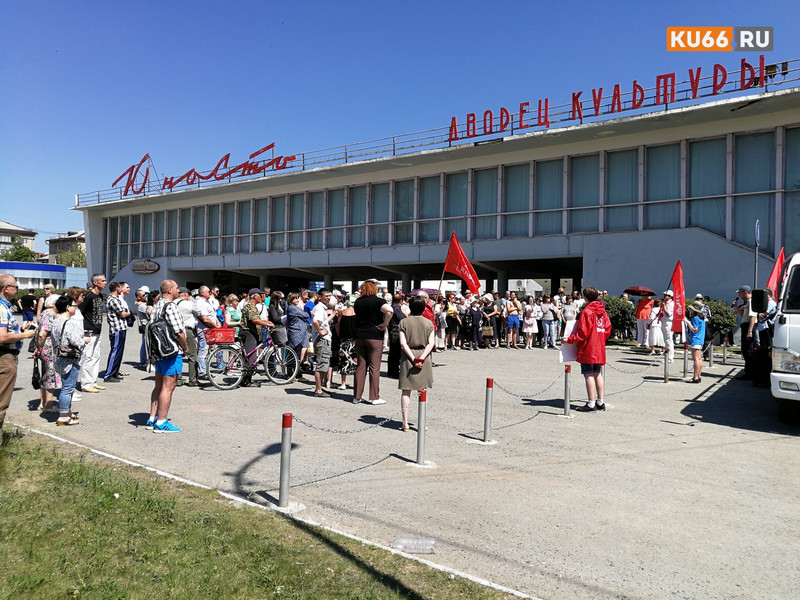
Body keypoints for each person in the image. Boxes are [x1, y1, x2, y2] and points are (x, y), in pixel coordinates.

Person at [146, 279, 188, 433]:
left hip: (158, 351)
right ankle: (162, 421)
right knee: (169, 386)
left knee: (158, 384)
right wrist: (185, 347)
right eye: (177, 288)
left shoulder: (157, 306)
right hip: (171, 350)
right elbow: (179, 332)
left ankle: (152, 418)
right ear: (170, 290)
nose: (179, 290)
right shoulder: (171, 307)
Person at [565, 286, 612, 412]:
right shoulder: (603, 312)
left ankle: (591, 403)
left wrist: (569, 339)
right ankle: (600, 401)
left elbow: (583, 333)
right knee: (598, 374)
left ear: (585, 297)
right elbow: (607, 329)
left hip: (589, 347)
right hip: (599, 346)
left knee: (588, 374)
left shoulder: (587, 312)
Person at [0, 274, 37, 433]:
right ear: (6, 288)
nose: (17, 290)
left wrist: (19, 331)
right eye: (15, 287)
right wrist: (25, 335)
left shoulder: (5, 306)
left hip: (5, 355)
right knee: (2, 402)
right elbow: (2, 337)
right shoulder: (2, 308)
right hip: (5, 357)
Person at [51, 295, 90, 426]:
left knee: (66, 386)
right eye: (73, 306)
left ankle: (67, 412)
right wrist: (84, 340)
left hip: (60, 357)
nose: (75, 308)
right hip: (70, 358)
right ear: (68, 307)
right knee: (67, 388)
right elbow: (75, 341)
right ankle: (63, 417)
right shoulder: (70, 322)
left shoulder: (55, 321)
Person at [398, 295, 435, 432]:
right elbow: (431, 343)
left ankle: (405, 422)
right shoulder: (429, 323)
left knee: (406, 391)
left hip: (408, 356)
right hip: (423, 356)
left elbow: (403, 343)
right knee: (422, 391)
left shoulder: (403, 322)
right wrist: (421, 358)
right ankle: (421, 422)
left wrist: (413, 359)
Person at [353, 280, 392, 405]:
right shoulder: (378, 301)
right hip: (374, 336)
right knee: (374, 367)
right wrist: (385, 324)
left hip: (359, 335)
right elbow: (390, 311)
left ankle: (357, 396)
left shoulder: (357, 301)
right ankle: (374, 397)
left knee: (360, 366)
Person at [77, 274, 106, 394]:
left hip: (97, 330)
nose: (105, 282)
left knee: (95, 357)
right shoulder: (88, 296)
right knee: (87, 357)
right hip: (88, 330)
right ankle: (86, 384)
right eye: (102, 281)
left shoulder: (100, 295)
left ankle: (93, 381)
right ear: (95, 282)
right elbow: (79, 311)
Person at [34, 292, 62, 412]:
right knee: (50, 376)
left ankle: (43, 403)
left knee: (46, 375)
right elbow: (42, 334)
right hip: (49, 349)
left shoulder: (46, 313)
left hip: (46, 348)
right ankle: (48, 406)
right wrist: (39, 348)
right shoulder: (49, 314)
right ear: (54, 304)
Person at [103, 281, 131, 383]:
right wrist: (129, 313)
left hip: (121, 328)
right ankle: (108, 374)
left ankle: (114, 372)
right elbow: (122, 314)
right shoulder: (113, 300)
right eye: (120, 288)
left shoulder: (116, 299)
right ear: (117, 288)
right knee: (115, 351)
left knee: (119, 352)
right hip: (117, 329)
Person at [240, 289, 273, 365]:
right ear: (254, 296)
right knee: (251, 358)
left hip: (252, 333)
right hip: (248, 333)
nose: (261, 296)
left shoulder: (253, 306)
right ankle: (248, 372)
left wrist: (266, 322)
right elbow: (254, 320)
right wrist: (267, 324)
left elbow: (257, 319)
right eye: (259, 295)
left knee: (252, 354)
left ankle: (248, 373)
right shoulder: (250, 306)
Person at [193, 285, 220, 380]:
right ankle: (202, 372)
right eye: (209, 291)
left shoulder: (206, 302)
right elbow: (205, 319)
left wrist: (217, 322)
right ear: (202, 293)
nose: (210, 293)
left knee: (207, 351)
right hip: (204, 329)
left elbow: (211, 314)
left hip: (209, 329)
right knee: (203, 350)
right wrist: (215, 325)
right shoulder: (199, 303)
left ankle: (205, 370)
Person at [311, 288, 333, 397]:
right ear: (320, 297)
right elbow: (315, 321)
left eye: (329, 296)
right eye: (326, 296)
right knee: (321, 364)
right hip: (322, 339)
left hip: (324, 339)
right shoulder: (319, 308)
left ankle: (321, 388)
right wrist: (320, 331)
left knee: (324, 364)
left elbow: (323, 321)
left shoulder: (322, 308)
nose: (329, 298)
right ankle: (318, 390)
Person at [175, 287, 199, 386]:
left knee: (177, 354)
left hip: (175, 330)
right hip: (187, 330)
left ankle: (178, 379)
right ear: (185, 294)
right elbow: (199, 313)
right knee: (192, 355)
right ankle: (192, 380)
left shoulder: (172, 303)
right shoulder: (189, 304)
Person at [733, 285, 757, 381]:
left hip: (748, 327)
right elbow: (744, 316)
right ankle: (748, 372)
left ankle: (750, 373)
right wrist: (736, 307)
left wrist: (750, 331)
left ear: (745, 292)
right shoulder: (747, 302)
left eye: (740, 293)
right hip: (745, 325)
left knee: (748, 351)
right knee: (745, 350)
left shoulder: (751, 302)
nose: (739, 295)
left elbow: (753, 317)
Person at [286, 292, 310, 378]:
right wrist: (302, 312)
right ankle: (293, 373)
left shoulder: (295, 307)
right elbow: (306, 315)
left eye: (297, 298)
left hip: (300, 332)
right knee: (294, 354)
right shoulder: (292, 308)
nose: (297, 300)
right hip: (296, 333)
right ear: (291, 300)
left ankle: (295, 372)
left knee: (297, 354)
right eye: (295, 298)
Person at [684, 300, 706, 383]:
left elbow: (694, 330)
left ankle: (695, 377)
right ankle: (698, 375)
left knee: (696, 359)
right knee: (699, 359)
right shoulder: (702, 318)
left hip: (696, 340)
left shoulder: (695, 318)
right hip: (700, 340)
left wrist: (687, 322)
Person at [386, 293, 405, 377]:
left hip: (392, 330)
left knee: (392, 353)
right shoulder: (396, 308)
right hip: (395, 331)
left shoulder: (391, 307)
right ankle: (394, 372)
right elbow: (401, 319)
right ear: (400, 301)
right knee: (395, 353)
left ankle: (391, 371)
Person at [660, 290, 675, 362]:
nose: (664, 296)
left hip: (668, 323)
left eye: (666, 295)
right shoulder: (665, 303)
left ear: (670, 296)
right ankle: (667, 354)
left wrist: (664, 307)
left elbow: (668, 314)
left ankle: (670, 357)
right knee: (665, 340)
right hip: (664, 322)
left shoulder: (671, 304)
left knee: (669, 340)